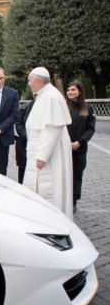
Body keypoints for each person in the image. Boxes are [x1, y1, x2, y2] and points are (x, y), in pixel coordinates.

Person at [24, 67, 73, 219]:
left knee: (49, 187)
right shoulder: (43, 95)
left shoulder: (52, 97)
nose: (29, 83)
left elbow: (52, 129)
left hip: (50, 156)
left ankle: (51, 219)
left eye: (30, 80)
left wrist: (42, 156)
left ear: (38, 81)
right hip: (41, 152)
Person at [65, 80, 96, 213]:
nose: (70, 92)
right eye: (68, 90)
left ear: (80, 91)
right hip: (65, 147)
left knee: (77, 176)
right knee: (64, 175)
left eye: (73, 90)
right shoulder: (64, 107)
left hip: (80, 149)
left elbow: (90, 129)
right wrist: (67, 142)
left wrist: (79, 142)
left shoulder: (88, 109)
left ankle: (73, 201)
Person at [14, 99, 35, 184]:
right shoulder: (24, 108)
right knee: (22, 168)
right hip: (23, 143)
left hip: (38, 144)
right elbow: (19, 124)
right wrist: (27, 137)